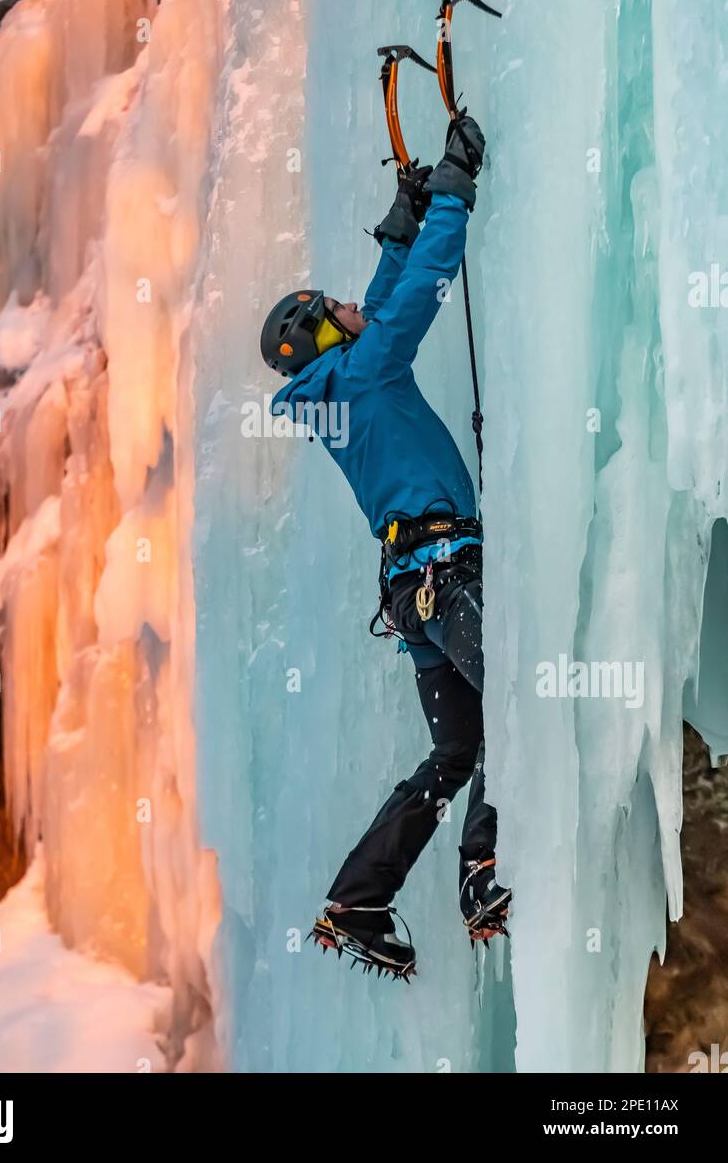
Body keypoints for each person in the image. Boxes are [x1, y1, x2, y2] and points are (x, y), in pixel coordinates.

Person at [259, 116, 511, 980]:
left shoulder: (337, 383)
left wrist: (398, 221)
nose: (351, 307)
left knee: (456, 753)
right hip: (445, 576)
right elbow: (416, 298)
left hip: (417, 598)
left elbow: (382, 300)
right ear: (326, 337)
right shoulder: (363, 371)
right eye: (335, 309)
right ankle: (484, 870)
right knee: (518, 690)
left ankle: (357, 899)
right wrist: (451, 194)